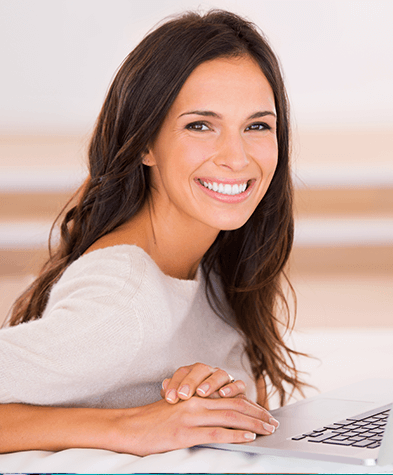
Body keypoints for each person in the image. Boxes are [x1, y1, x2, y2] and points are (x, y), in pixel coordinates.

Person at [0, 9, 307, 455]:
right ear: (146, 142)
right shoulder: (123, 301)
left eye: (257, 126)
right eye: (200, 125)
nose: (237, 158)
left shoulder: (214, 263)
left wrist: (215, 400)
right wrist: (128, 427)